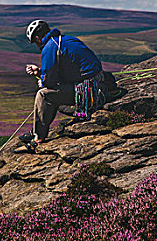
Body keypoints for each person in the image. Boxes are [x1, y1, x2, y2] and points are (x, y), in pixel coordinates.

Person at [19, 20, 105, 151]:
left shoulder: (49, 47)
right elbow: (66, 69)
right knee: (51, 93)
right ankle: (37, 131)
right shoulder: (66, 40)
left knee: (43, 95)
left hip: (87, 91)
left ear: (37, 38)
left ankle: (38, 138)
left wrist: (42, 81)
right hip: (98, 83)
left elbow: (49, 81)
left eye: (35, 42)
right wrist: (40, 71)